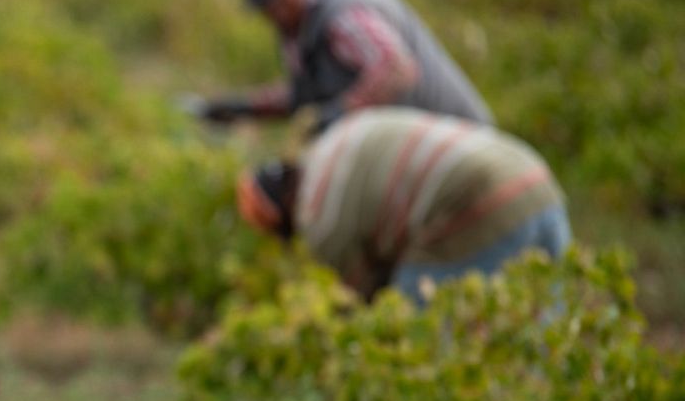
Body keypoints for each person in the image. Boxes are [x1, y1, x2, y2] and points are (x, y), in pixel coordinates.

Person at [236, 107, 571, 302]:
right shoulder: (334, 139)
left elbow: (365, 302)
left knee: (415, 331)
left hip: (476, 201)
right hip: (534, 177)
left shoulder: (319, 220)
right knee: (555, 324)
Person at [197, 0, 493, 132]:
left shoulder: (345, 14)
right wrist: (246, 107)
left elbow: (398, 70)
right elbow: (313, 92)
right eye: (266, 6)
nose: (275, 12)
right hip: (418, 149)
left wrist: (340, 111)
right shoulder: (298, 20)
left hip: (460, 141)